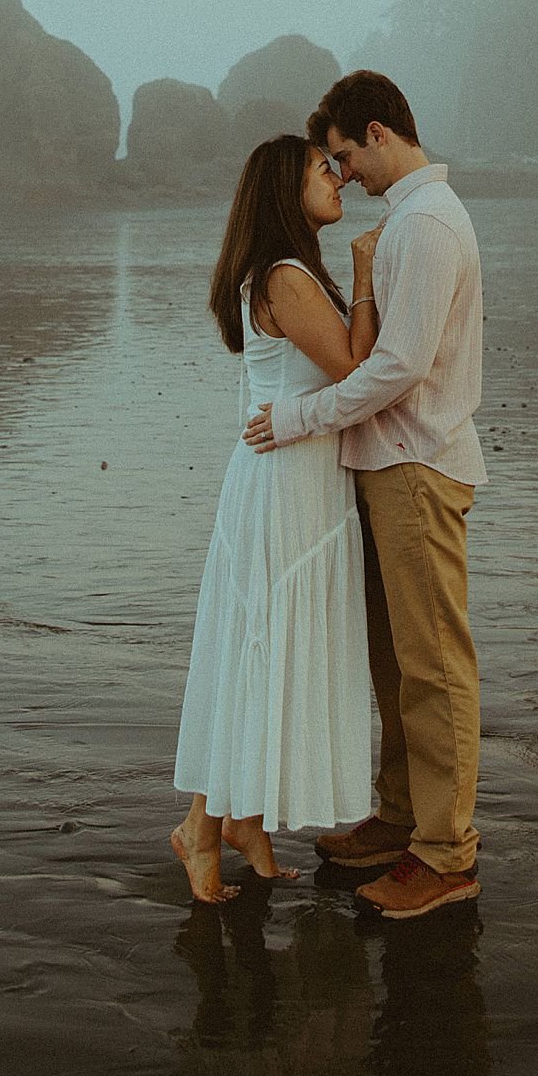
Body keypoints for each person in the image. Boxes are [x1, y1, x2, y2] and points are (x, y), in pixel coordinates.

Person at [243, 71, 486, 921]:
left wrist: (298, 416)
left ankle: (446, 854)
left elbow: (397, 368)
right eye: (331, 165)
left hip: (417, 462)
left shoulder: (424, 223)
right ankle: (401, 815)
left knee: (433, 664)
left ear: (379, 134)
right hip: (388, 467)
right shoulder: (405, 225)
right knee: (393, 662)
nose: (343, 175)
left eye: (345, 156)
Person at [171, 133, 383, 904]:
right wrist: (363, 274)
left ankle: (243, 819)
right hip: (286, 486)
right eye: (320, 171)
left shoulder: (276, 273)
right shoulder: (287, 276)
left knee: (257, 645)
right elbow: (356, 370)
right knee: (262, 645)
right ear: (284, 194)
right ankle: (202, 825)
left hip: (285, 480)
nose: (336, 179)